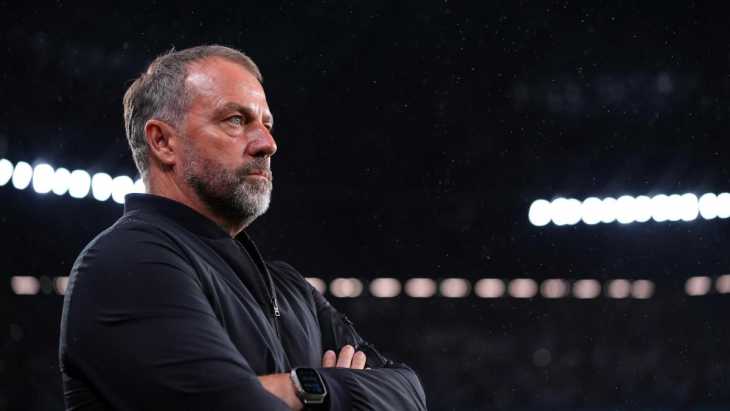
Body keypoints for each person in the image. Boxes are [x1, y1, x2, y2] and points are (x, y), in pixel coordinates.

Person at [58, 45, 427, 410]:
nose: (268, 144)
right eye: (235, 120)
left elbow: (409, 395)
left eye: (267, 124)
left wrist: (309, 389)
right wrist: (337, 390)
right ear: (163, 141)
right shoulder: (127, 261)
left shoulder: (289, 287)